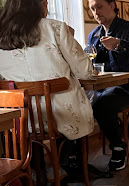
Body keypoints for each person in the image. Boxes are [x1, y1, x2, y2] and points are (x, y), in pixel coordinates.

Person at [0, 0, 94, 176]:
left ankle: (41, 170)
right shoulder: (55, 28)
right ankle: (66, 162)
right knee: (80, 105)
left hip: (20, 120)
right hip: (62, 116)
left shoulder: (2, 32)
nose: (48, 8)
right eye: (45, 3)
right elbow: (86, 72)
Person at [87, 0, 129, 172]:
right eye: (92, 9)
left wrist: (118, 45)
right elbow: (91, 61)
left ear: (112, 5)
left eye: (99, 6)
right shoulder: (94, 35)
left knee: (101, 105)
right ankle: (75, 158)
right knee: (80, 103)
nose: (96, 12)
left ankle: (118, 147)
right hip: (104, 87)